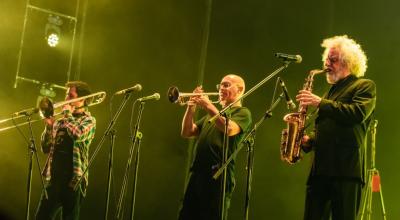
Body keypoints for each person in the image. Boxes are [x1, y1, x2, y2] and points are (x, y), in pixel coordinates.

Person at [296, 35, 376, 220]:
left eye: (333, 59)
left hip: (346, 171)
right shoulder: (330, 91)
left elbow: (356, 113)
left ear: (348, 62)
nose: (326, 64)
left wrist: (319, 102)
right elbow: (330, 127)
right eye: (326, 59)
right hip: (320, 171)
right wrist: (310, 141)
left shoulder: (364, 86)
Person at [178, 74, 252, 220]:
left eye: (226, 85)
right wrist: (190, 108)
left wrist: (207, 105)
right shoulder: (211, 116)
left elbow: (229, 129)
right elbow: (187, 132)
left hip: (218, 176)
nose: (221, 89)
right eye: (220, 86)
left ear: (240, 89)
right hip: (197, 173)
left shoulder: (243, 113)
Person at [36, 81, 96, 220]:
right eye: (66, 95)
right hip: (54, 179)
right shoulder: (60, 121)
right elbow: (45, 148)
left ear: (82, 99)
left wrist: (67, 114)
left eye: (70, 96)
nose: (66, 99)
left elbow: (78, 134)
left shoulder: (89, 120)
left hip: (74, 181)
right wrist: (49, 127)